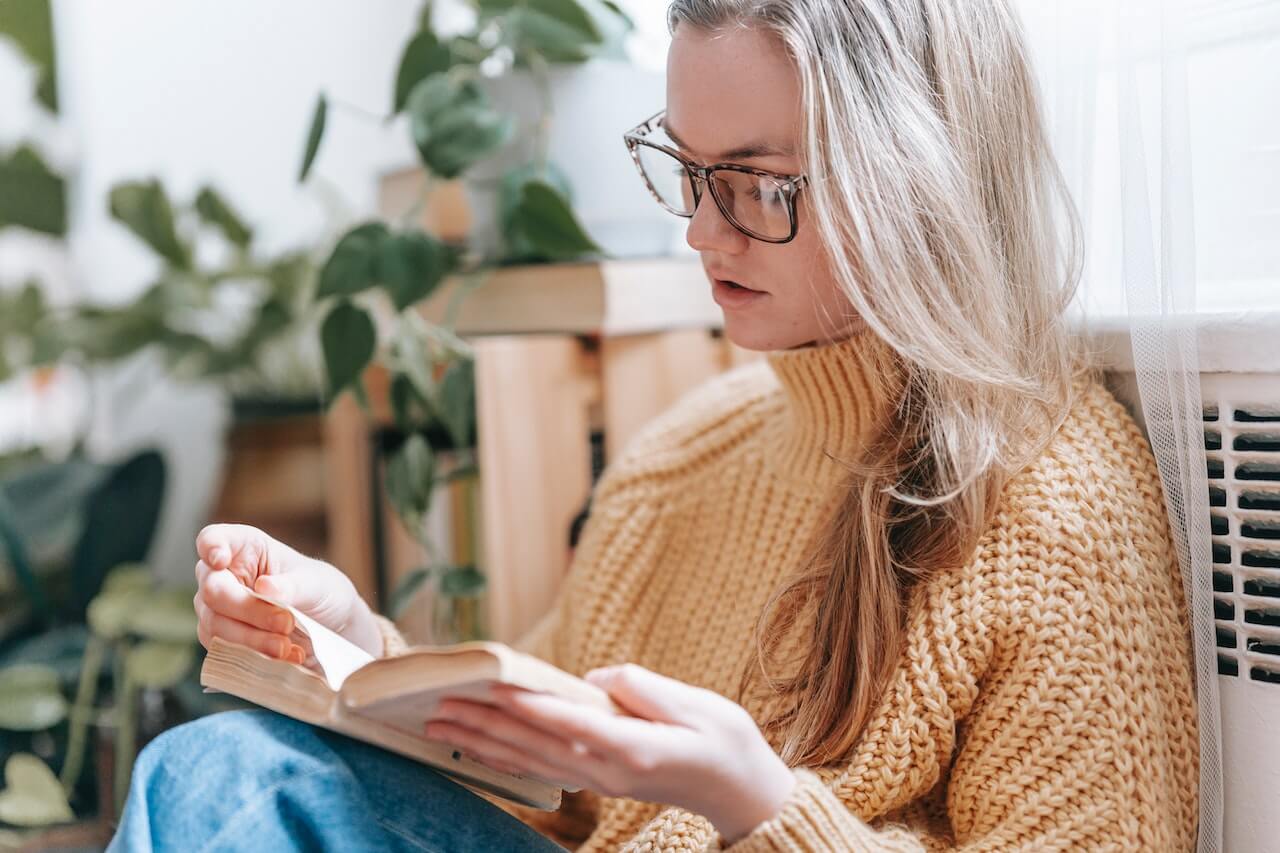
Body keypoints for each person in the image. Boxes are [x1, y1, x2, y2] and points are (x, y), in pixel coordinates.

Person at [109, 0, 1201, 850]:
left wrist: (754, 802)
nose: (698, 232)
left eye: (757, 184)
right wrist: (352, 639)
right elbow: (544, 775)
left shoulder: (1056, 505)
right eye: (686, 168)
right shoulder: (685, 460)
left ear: (918, 176)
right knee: (216, 772)